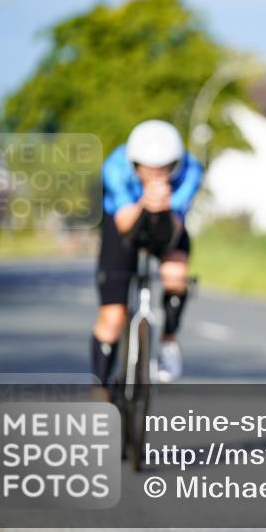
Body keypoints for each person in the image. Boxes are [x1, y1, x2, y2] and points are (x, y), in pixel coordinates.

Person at [91, 120, 203, 386]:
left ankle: (168, 340)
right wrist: (144, 202)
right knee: (112, 317)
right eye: (148, 170)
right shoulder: (115, 167)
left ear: (175, 164)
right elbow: (123, 224)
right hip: (123, 225)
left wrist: (163, 203)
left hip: (167, 222)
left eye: (164, 169)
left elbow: (176, 226)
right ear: (134, 164)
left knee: (176, 276)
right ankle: (100, 390)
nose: (155, 176)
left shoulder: (191, 170)